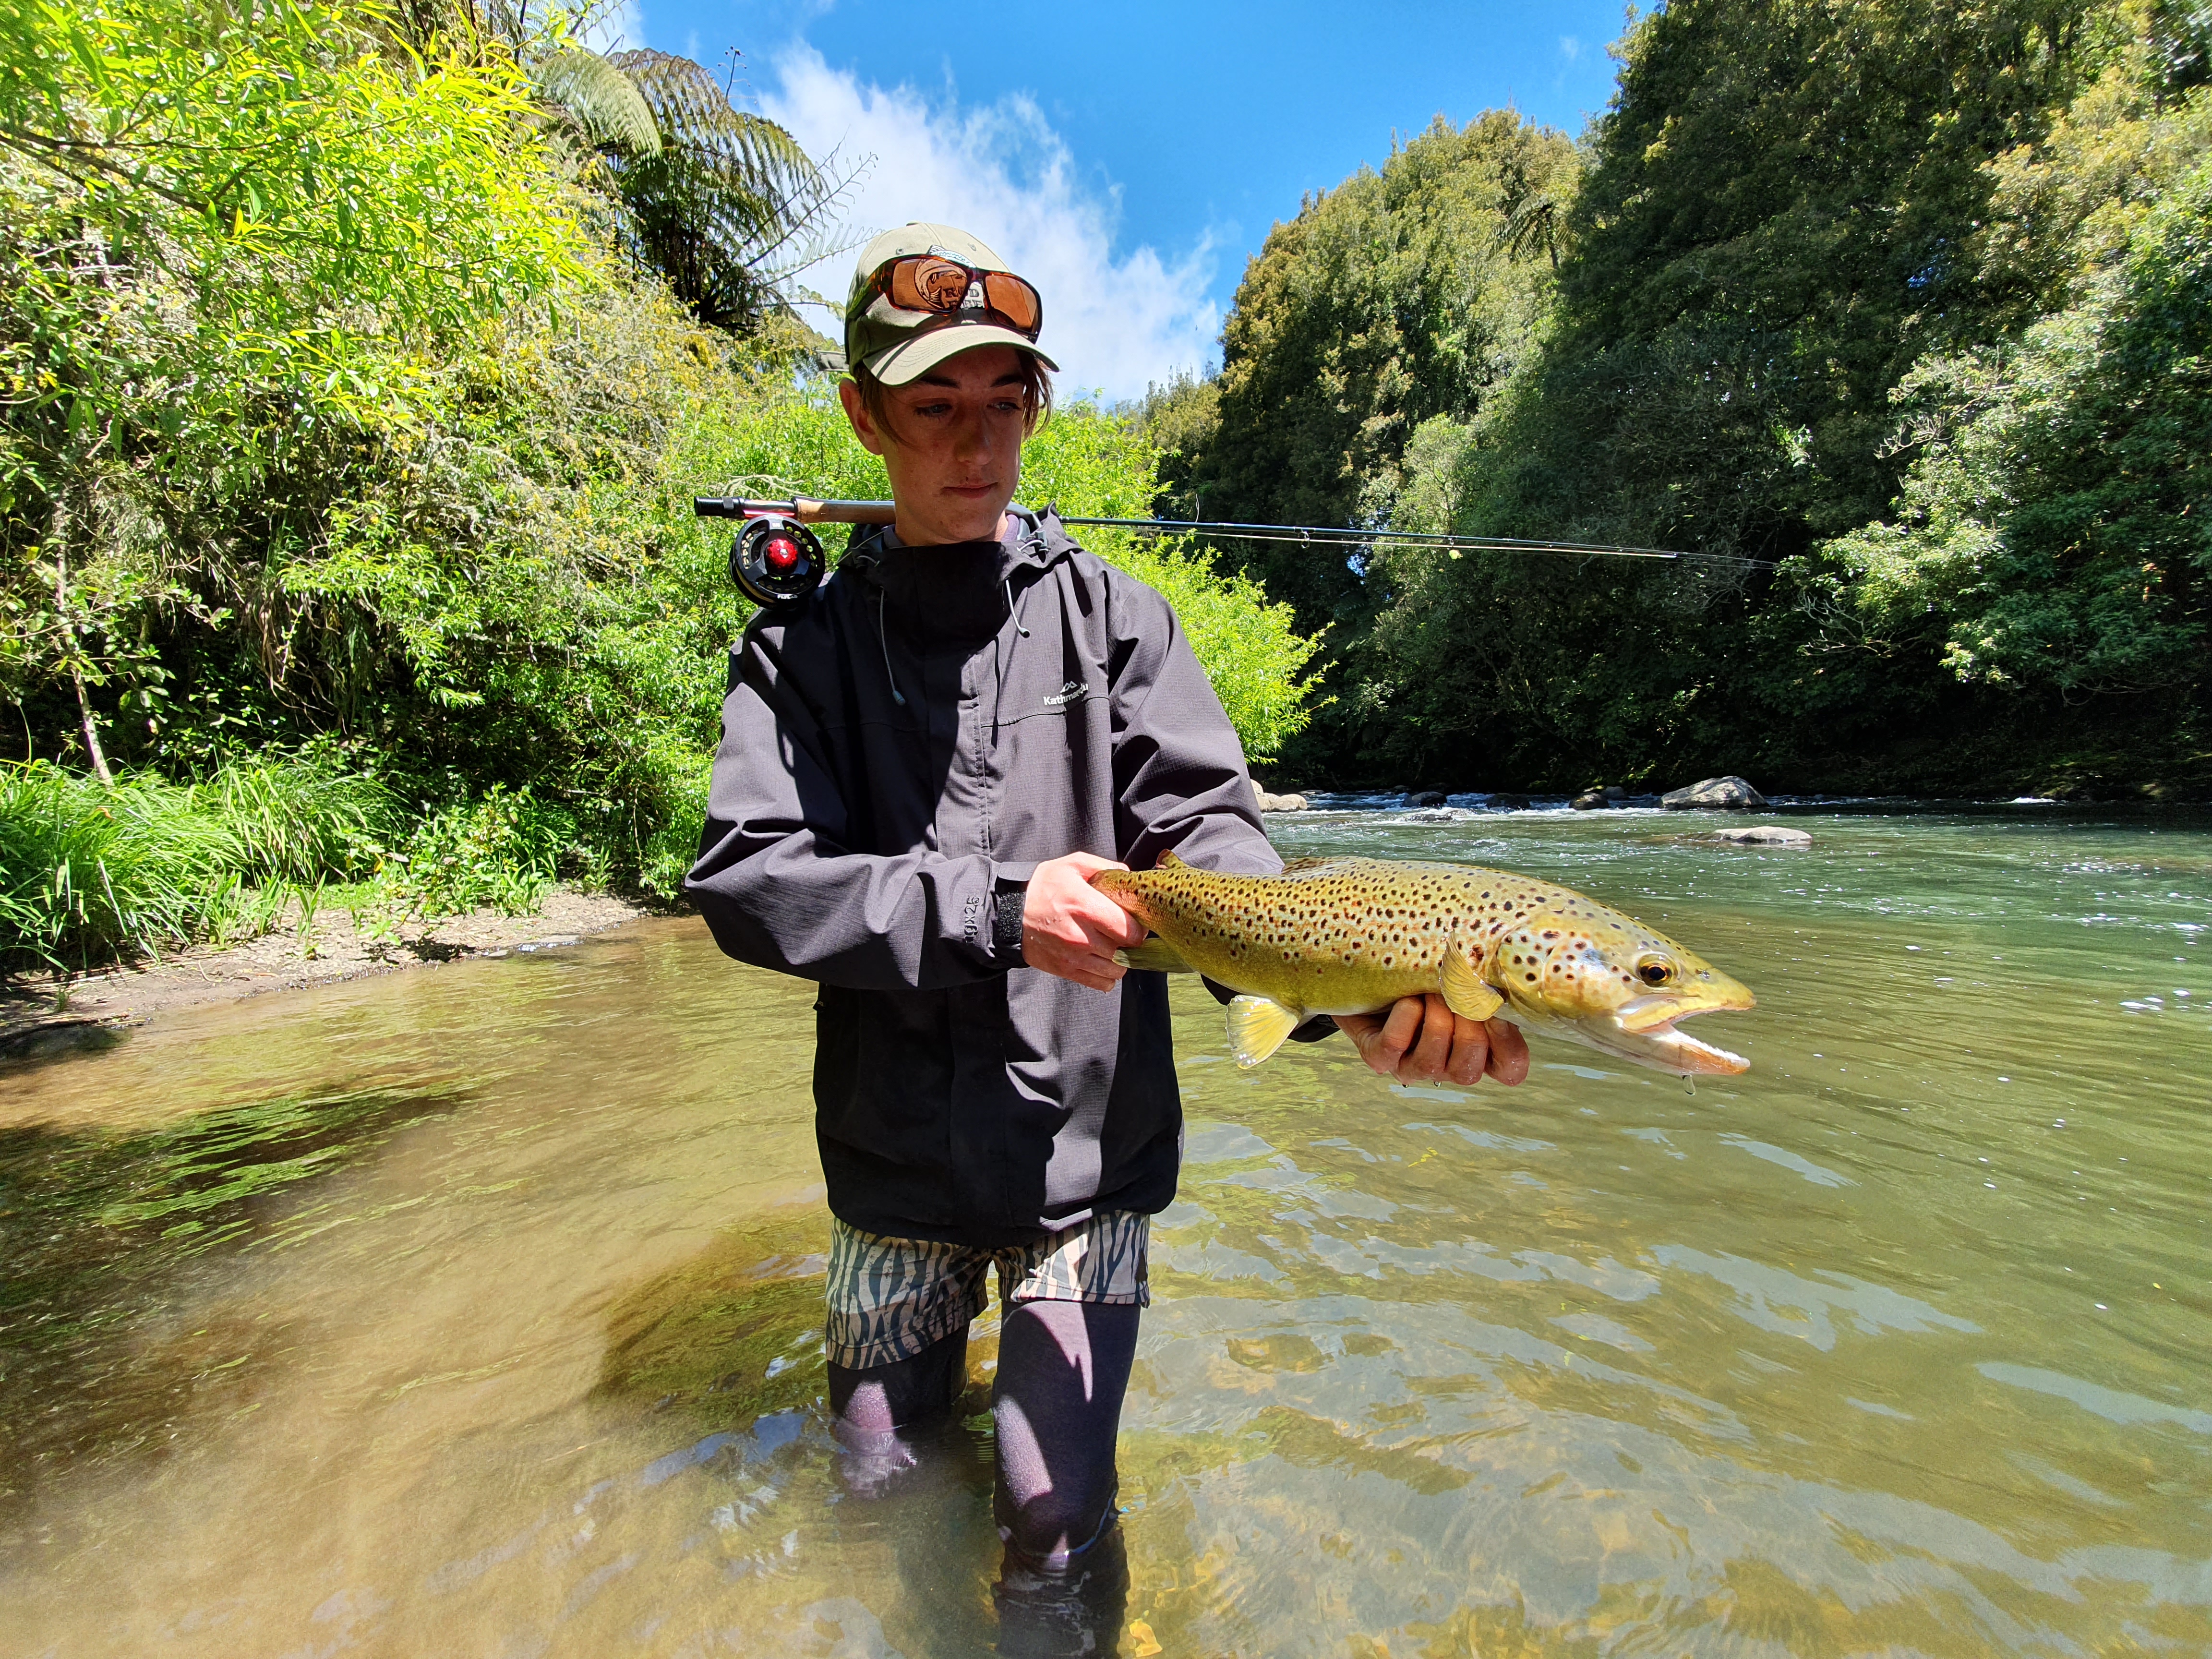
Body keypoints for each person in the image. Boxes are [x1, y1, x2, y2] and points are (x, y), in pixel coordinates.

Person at [684, 222, 1528, 1650]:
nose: (977, 444)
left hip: (1089, 1162)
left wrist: (1356, 992)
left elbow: (1215, 842)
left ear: (1037, 409)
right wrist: (1000, 913)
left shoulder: (1122, 627)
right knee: (884, 1485)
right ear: (863, 417)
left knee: (1051, 1524)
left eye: (1005, 404)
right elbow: (750, 882)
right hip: (891, 1167)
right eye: (935, 409)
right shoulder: (801, 652)